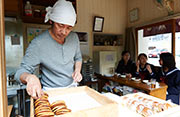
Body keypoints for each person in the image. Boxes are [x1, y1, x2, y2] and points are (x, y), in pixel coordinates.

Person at [15, 0, 82, 99]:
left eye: (69, 28)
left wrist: (77, 70)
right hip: (51, 92)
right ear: (51, 21)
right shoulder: (38, 43)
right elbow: (19, 73)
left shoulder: (74, 38)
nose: (64, 32)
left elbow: (78, 58)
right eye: (60, 25)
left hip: (72, 88)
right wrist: (30, 77)